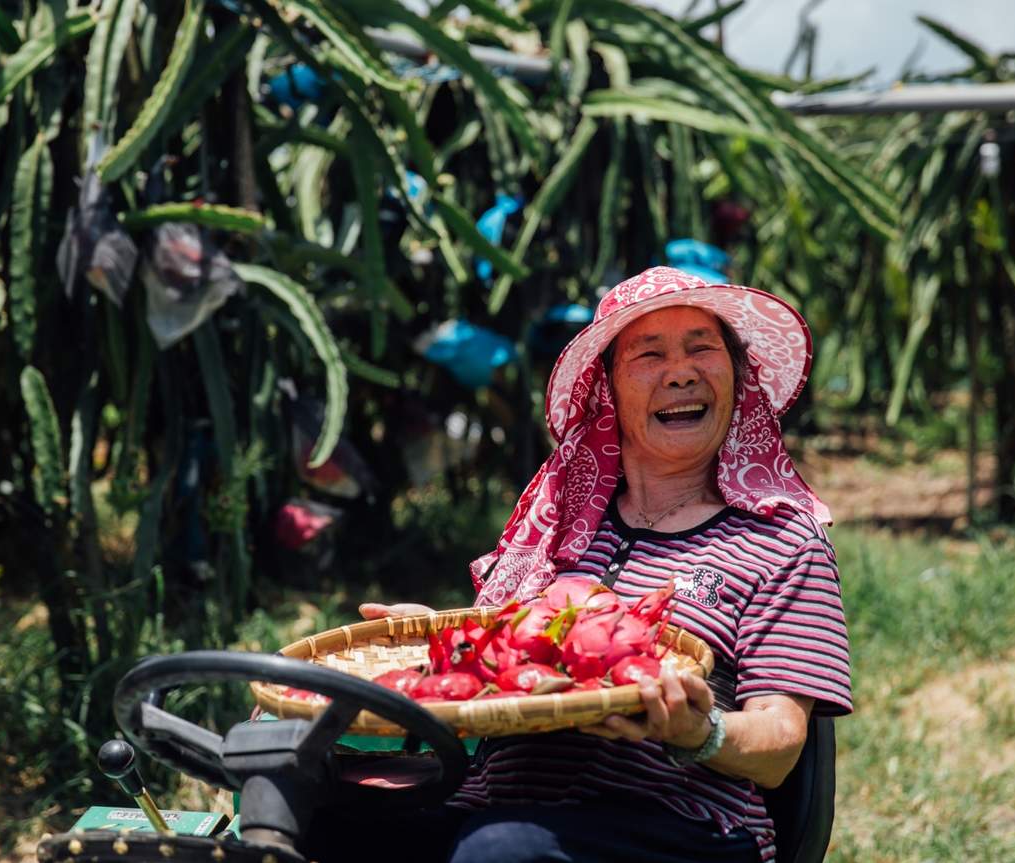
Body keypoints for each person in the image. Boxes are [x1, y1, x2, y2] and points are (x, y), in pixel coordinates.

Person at [348, 267, 852, 863]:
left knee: (500, 850)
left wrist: (699, 730)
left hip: (686, 827)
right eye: (650, 353)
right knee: (309, 808)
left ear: (738, 378)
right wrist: (445, 640)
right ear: (607, 389)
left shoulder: (782, 540)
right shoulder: (559, 521)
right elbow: (510, 665)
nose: (681, 372)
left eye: (702, 348)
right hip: (495, 806)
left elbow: (780, 744)